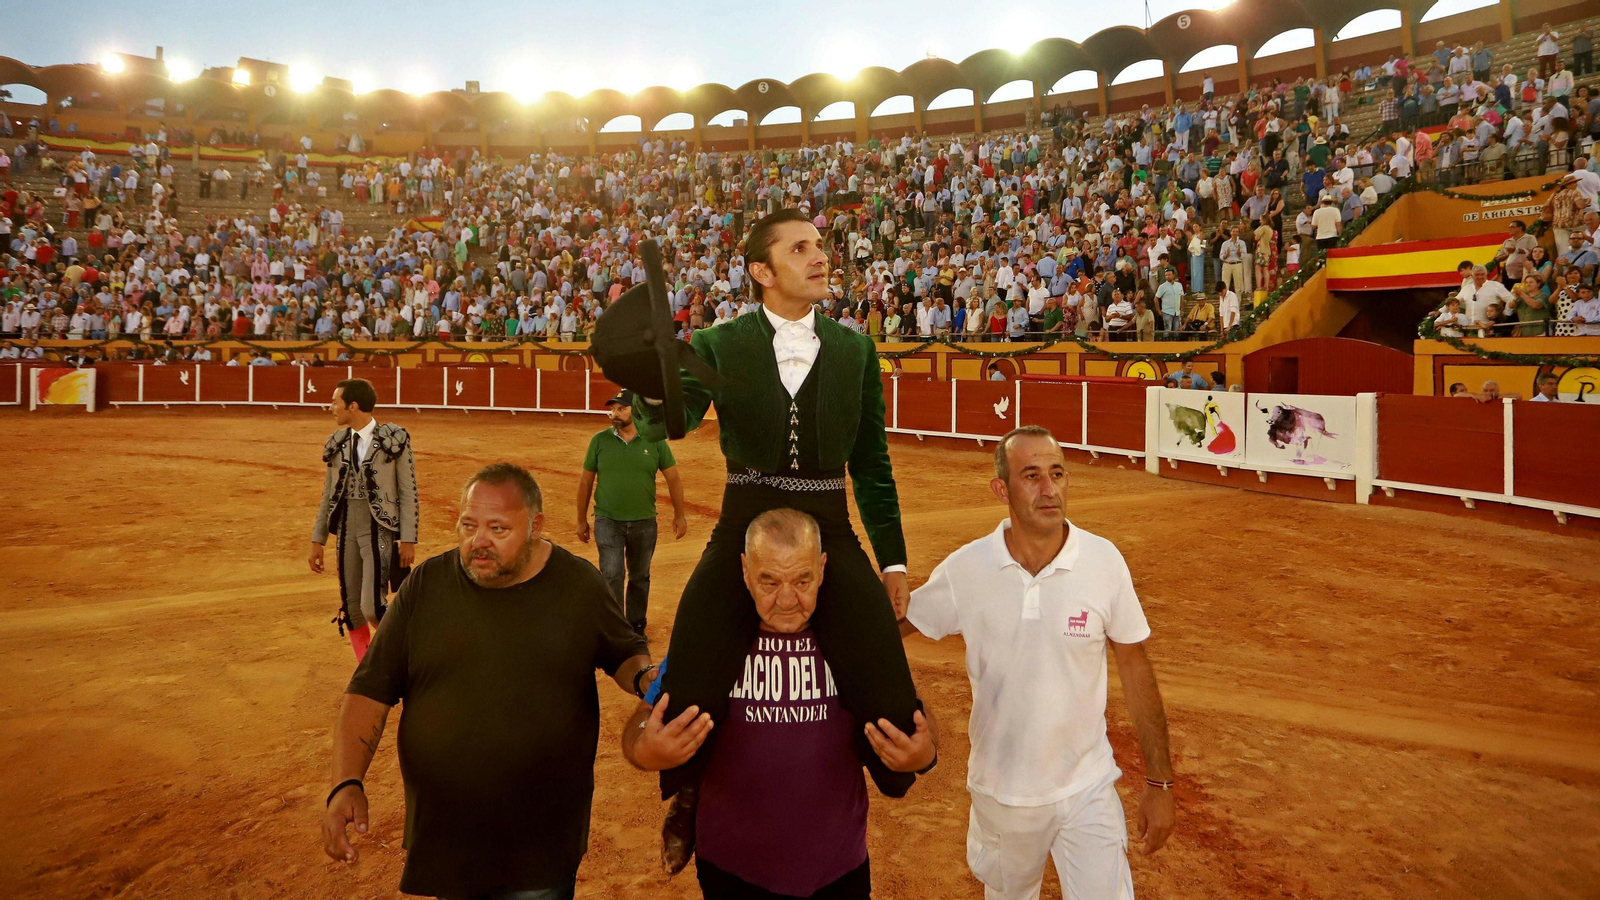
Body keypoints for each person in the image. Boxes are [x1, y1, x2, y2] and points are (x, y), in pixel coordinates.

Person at [630, 209, 923, 866]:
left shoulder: (856, 350)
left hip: (830, 524)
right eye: (800, 248)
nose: (820, 256)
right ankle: (688, 791)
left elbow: (872, 462)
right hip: (743, 518)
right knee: (699, 639)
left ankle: (894, 772)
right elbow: (671, 423)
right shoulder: (718, 343)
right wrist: (655, 383)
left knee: (879, 656)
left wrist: (894, 560)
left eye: (820, 246)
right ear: (762, 271)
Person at [322, 463, 654, 899]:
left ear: (536, 526)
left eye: (498, 528)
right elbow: (369, 690)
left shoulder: (578, 585)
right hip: (447, 837)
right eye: (469, 525)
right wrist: (346, 781)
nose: (479, 541)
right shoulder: (427, 585)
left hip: (540, 845)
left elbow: (624, 651)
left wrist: (647, 678)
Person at [901, 426, 1176, 900]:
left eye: (1057, 474)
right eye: (1031, 476)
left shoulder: (1103, 560)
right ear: (1001, 489)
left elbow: (1134, 666)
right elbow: (896, 629)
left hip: (1087, 786)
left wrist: (1160, 781)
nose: (1050, 490)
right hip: (1002, 794)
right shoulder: (968, 569)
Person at [623, 509, 938, 899]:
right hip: (731, 872)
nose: (787, 600)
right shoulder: (712, 640)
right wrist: (646, 748)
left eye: (802, 580)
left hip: (838, 871)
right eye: (768, 581)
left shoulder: (853, 638)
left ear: (823, 568)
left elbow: (917, 709)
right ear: (744, 570)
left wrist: (924, 752)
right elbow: (641, 720)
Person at [308, 379, 419, 659]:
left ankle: (402, 656)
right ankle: (368, 670)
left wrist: (407, 538)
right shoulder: (338, 443)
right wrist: (317, 539)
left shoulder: (394, 440)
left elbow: (408, 492)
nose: (331, 407)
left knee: (373, 606)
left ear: (353, 406)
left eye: (335, 402)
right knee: (352, 609)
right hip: (346, 530)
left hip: (379, 531)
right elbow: (328, 495)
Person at [577, 389, 688, 635]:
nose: (614, 413)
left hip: (644, 523)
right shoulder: (599, 440)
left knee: (640, 577)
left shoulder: (655, 441)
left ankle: (636, 625)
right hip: (607, 520)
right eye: (613, 408)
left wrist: (679, 515)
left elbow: (674, 479)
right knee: (612, 575)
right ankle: (616, 627)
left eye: (621, 408)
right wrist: (581, 520)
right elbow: (585, 481)